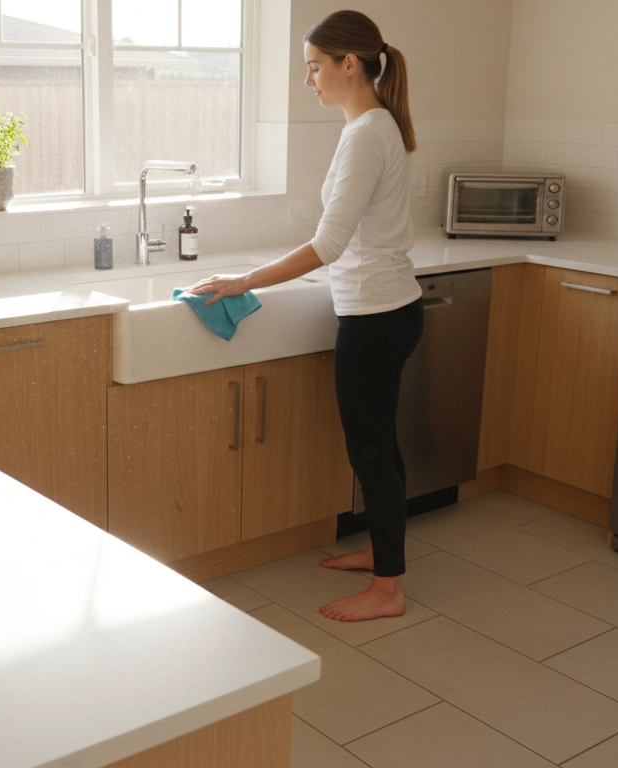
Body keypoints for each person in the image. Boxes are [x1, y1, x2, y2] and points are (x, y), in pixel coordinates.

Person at [185, 10, 422, 622]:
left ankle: (388, 589)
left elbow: (330, 243)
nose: (309, 80)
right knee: (380, 446)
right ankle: (383, 553)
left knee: (369, 450)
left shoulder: (368, 132)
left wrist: (244, 279)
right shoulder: (374, 125)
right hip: (388, 308)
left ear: (350, 64)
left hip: (374, 317)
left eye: (315, 67)